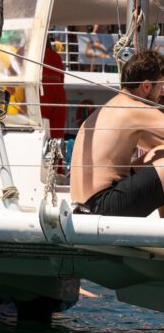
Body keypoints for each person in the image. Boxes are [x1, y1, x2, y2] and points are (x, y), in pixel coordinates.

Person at [70, 50, 164, 216]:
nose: (162, 93)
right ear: (147, 86)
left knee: (158, 154)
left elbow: (156, 147)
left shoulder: (111, 108)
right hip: (103, 204)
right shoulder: (134, 109)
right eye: (161, 86)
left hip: (84, 206)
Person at [40, 37, 67, 139]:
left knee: (39, 134)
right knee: (56, 137)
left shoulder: (30, 54)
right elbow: (61, 80)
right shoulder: (56, 57)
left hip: (41, 93)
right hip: (58, 96)